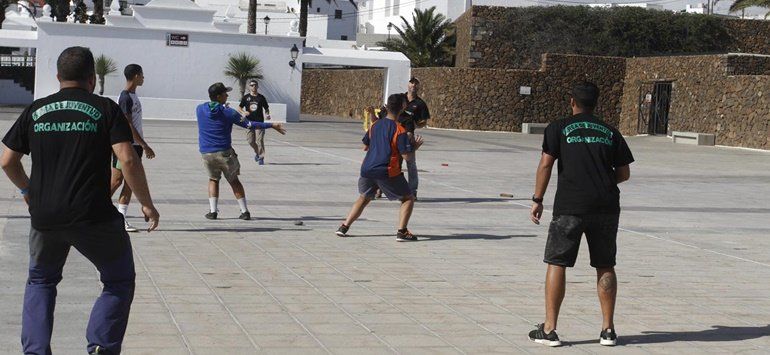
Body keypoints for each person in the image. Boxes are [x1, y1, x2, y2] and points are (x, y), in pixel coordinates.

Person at [0, 46, 159, 355]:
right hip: (94, 215)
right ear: (92, 78)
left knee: (41, 281)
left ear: (58, 77)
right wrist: (146, 203)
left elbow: (7, 161)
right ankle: (101, 344)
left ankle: (34, 351)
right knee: (118, 280)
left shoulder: (36, 109)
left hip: (45, 216)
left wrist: (28, 192)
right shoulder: (104, 108)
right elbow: (127, 158)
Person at [528, 82, 634, 347]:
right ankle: (607, 330)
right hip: (606, 207)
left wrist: (537, 199)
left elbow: (546, 163)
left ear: (572, 101)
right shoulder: (610, 131)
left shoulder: (558, 128)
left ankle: (550, 329)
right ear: (596, 104)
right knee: (605, 264)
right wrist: (600, 183)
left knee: (557, 262)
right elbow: (624, 173)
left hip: (570, 206)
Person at [336, 93, 424, 241]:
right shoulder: (399, 130)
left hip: (367, 169)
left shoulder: (375, 125)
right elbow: (407, 157)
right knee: (408, 198)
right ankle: (402, 231)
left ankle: (344, 227)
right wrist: (414, 146)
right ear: (402, 107)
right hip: (386, 170)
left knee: (364, 197)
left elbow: (365, 144)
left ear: (387, 106)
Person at [197, 82, 285, 220]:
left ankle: (213, 211)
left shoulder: (200, 109)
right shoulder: (229, 112)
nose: (227, 95)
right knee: (234, 181)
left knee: (213, 179)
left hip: (206, 153)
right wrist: (272, 125)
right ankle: (244, 212)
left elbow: (214, 111)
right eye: (225, 93)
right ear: (219, 96)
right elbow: (249, 124)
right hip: (224, 152)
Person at [110, 64, 156, 232]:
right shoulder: (125, 97)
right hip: (126, 146)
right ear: (136, 76)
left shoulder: (133, 96)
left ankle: (121, 218)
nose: (143, 78)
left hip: (134, 146)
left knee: (129, 183)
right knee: (117, 181)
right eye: (142, 75)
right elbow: (127, 124)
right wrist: (144, 144)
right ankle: (94, 209)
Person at [401, 77, 430, 198]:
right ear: (408, 84)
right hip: (394, 134)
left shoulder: (420, 104)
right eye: (411, 82)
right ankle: (380, 189)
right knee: (390, 162)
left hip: (408, 136)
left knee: (410, 164)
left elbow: (424, 121)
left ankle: (412, 191)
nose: (413, 85)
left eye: (416, 83)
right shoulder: (400, 98)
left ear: (418, 87)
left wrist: (416, 125)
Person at [237, 79, 271, 165]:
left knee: (260, 140)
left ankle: (261, 157)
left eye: (255, 85)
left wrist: (267, 114)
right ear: (249, 87)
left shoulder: (261, 97)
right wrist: (243, 112)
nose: (254, 86)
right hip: (249, 122)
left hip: (259, 122)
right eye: (252, 85)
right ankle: (257, 153)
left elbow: (266, 108)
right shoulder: (246, 97)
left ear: (257, 86)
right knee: (250, 141)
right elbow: (239, 108)